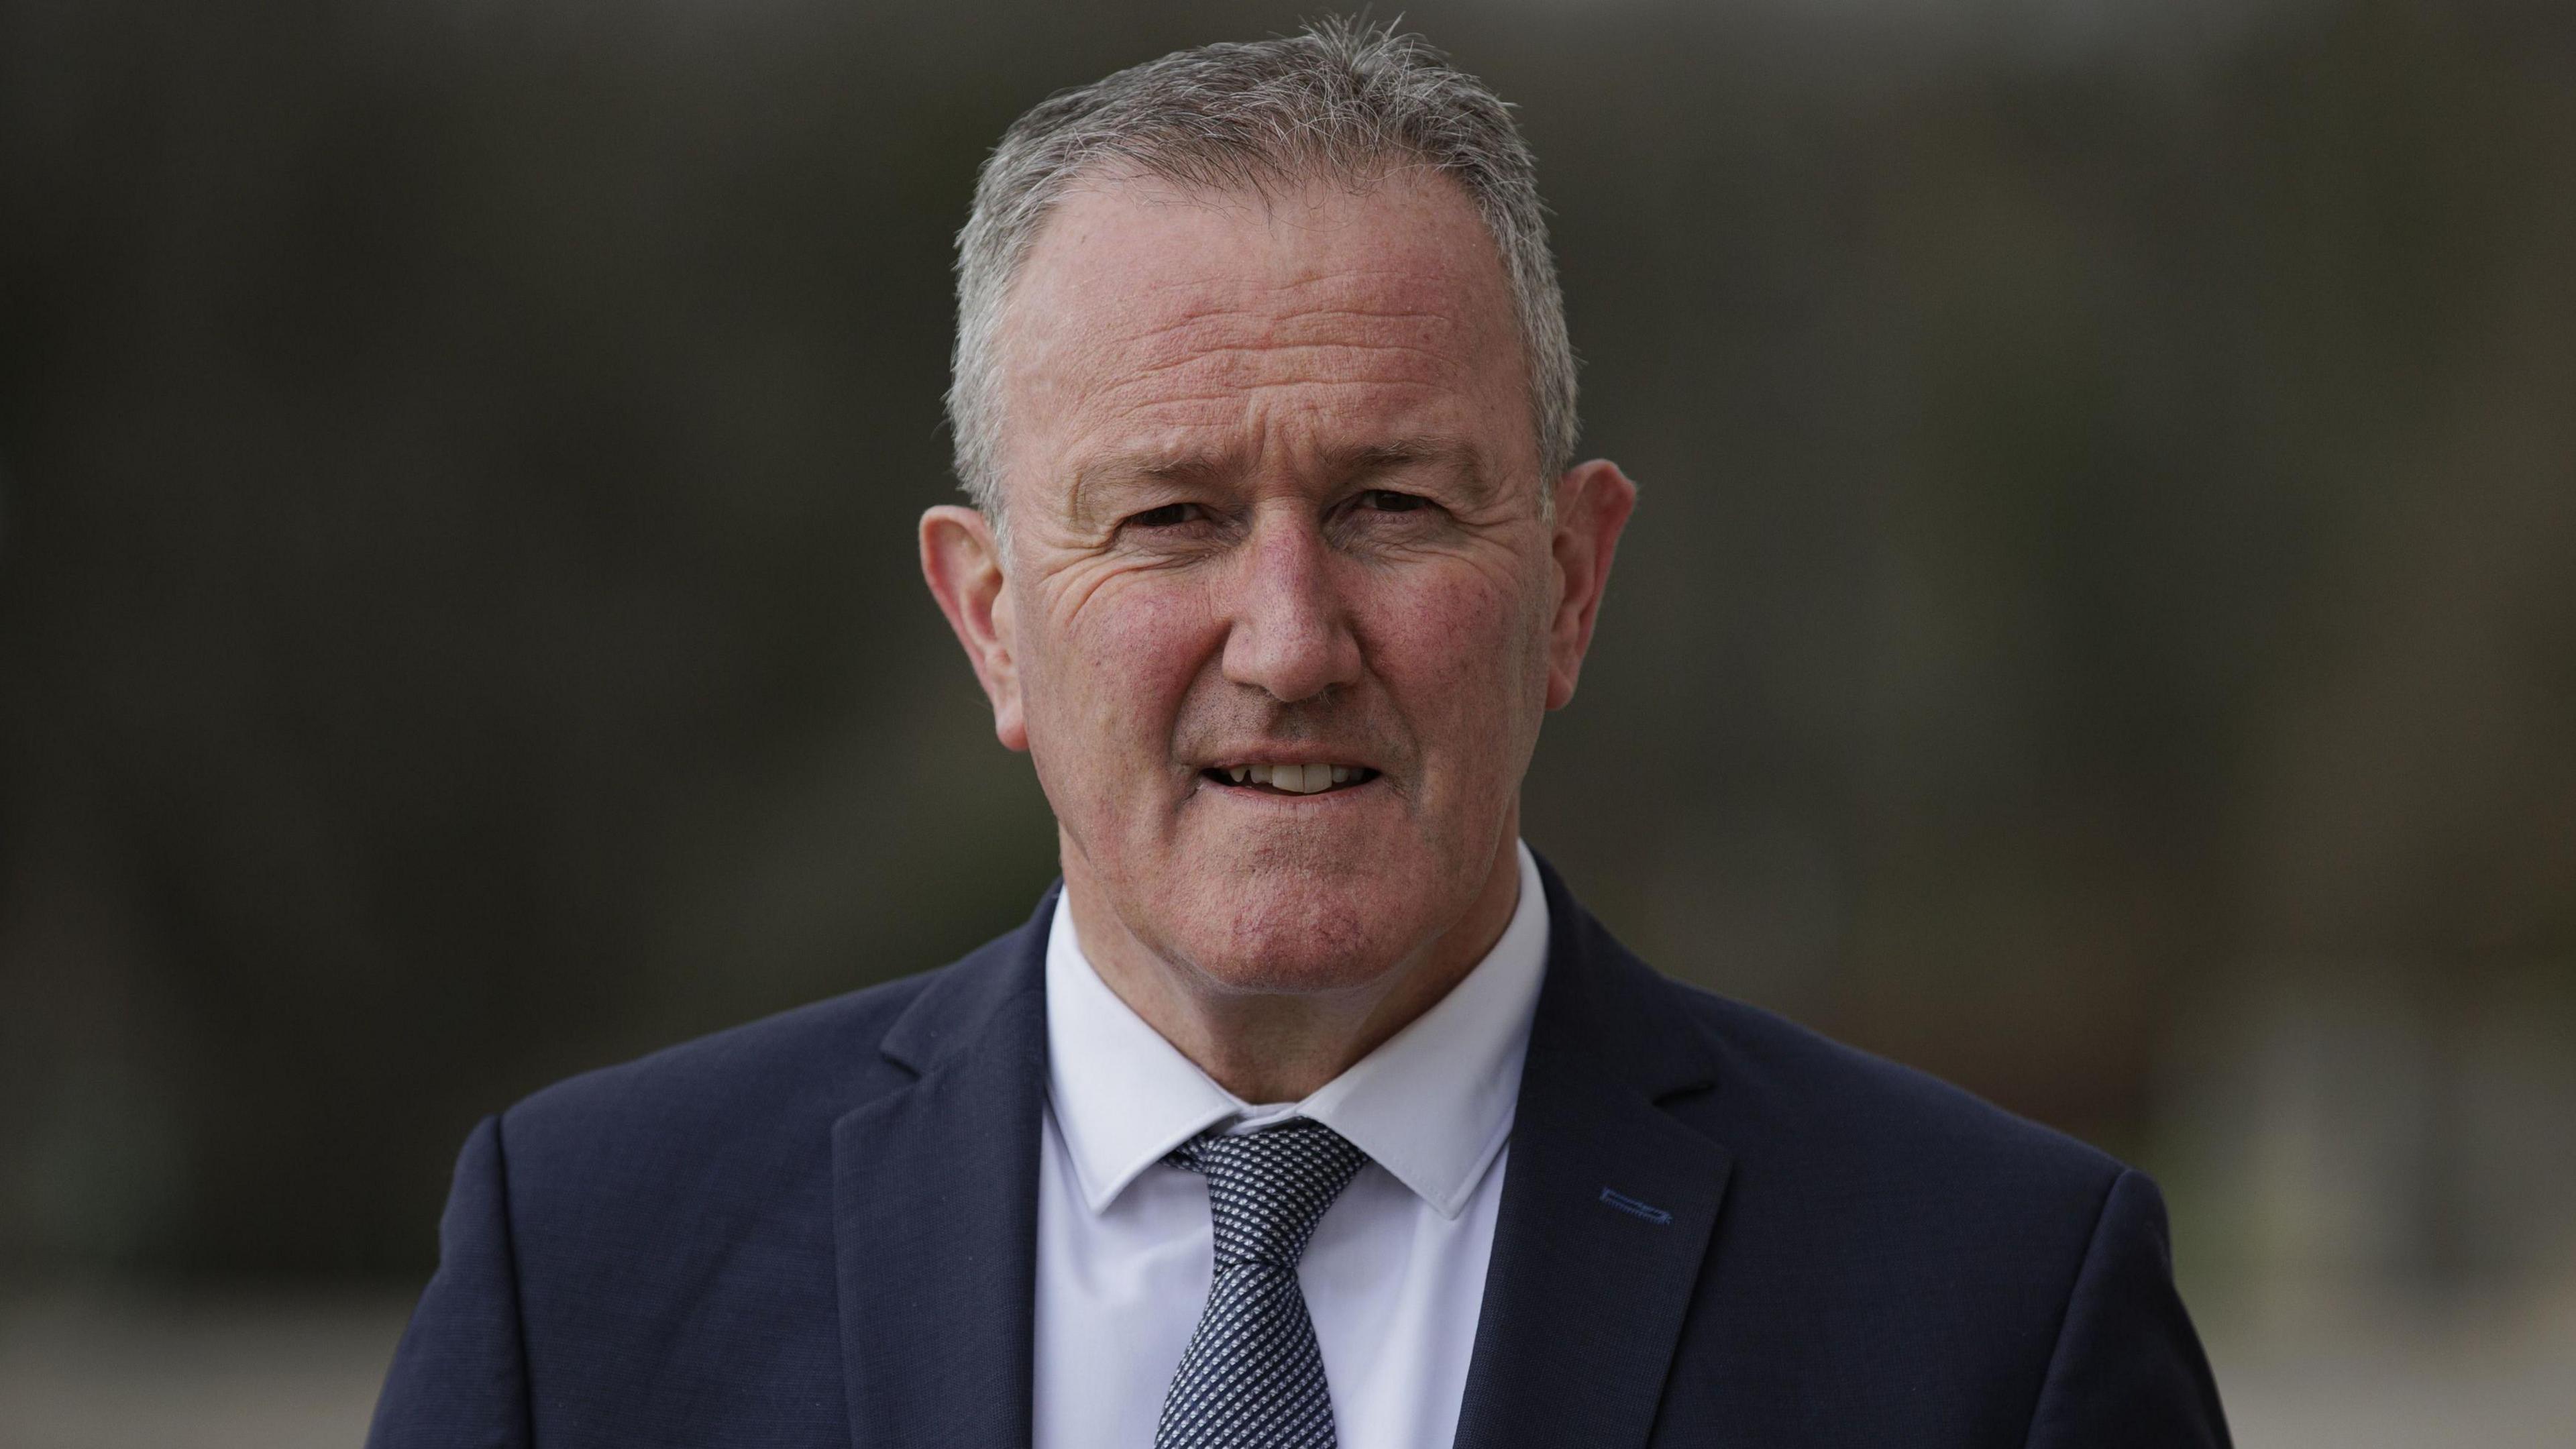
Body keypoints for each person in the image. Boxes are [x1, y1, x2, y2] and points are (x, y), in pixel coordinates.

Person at [369, 21, 2230, 1448]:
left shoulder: (1991, 1319)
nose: (1289, 640)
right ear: (993, 619)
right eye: (1170, 517)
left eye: (1394, 506)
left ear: (1574, 582)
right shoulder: (591, 1279)